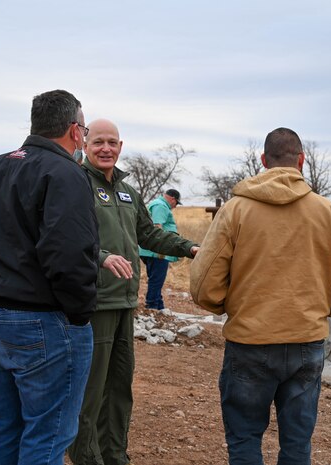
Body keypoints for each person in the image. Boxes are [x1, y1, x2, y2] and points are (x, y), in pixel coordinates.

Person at [190, 127, 331, 465]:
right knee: (297, 444)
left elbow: (204, 284)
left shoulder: (235, 210)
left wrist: (233, 306)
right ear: (301, 161)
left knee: (244, 440)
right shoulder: (327, 213)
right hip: (306, 342)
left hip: (249, 341)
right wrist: (316, 310)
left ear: (263, 161)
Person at [68, 119, 199, 465]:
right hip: (93, 305)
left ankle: (114, 455)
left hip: (126, 302)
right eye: (98, 142)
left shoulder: (129, 191)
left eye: (112, 142)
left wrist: (191, 248)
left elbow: (149, 234)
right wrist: (101, 259)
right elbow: (66, 241)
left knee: (119, 391)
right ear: (84, 143)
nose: (106, 149)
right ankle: (86, 457)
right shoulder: (75, 183)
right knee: (90, 393)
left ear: (121, 146)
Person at [0, 90, 99, 465]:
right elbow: (68, 254)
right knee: (48, 434)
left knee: (6, 424)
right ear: (74, 131)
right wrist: (80, 313)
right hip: (46, 321)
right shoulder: (64, 173)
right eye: (83, 129)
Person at [138, 188, 184, 310]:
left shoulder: (158, 204)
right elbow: (157, 227)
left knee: (155, 279)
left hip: (153, 251)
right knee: (156, 280)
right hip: (158, 251)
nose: (175, 206)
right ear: (173, 199)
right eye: (176, 203)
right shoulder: (160, 206)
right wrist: (161, 250)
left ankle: (158, 305)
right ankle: (152, 306)